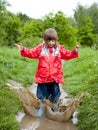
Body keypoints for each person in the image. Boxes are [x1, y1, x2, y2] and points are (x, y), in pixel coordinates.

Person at [17, 28, 80, 115]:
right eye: (48, 41)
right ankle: (42, 107)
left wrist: (75, 52)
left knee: (55, 94)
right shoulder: (41, 48)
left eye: (53, 41)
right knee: (42, 95)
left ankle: (53, 107)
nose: (51, 43)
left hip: (55, 78)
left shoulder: (59, 49)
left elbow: (68, 54)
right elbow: (31, 53)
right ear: (45, 40)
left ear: (56, 40)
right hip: (43, 78)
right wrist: (23, 50)